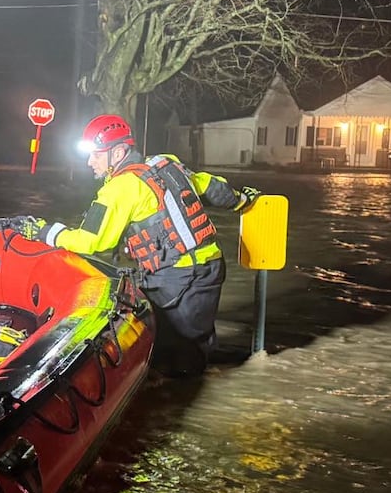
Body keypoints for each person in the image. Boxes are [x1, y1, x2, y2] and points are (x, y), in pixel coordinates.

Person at [18, 113, 258, 376]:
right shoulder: (167, 164)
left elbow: (90, 241)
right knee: (194, 342)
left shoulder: (121, 188)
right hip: (209, 267)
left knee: (178, 357)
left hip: (178, 278)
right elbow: (211, 186)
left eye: (96, 154)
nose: (90, 162)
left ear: (119, 152)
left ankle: (178, 394)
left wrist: (45, 232)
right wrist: (241, 201)